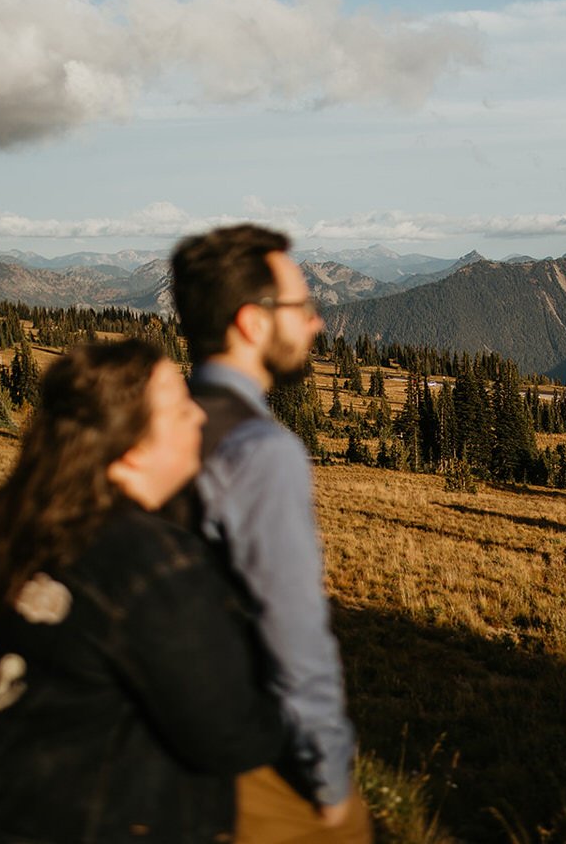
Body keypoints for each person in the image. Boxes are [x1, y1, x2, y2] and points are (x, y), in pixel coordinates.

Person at [0, 339, 284, 843]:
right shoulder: (151, 564)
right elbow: (232, 737)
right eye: (177, 405)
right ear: (126, 448)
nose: (197, 414)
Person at [170, 226, 371, 843]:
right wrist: (330, 779)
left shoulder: (163, 427)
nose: (315, 326)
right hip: (237, 757)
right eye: (302, 309)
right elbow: (294, 635)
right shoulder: (259, 451)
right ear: (252, 323)